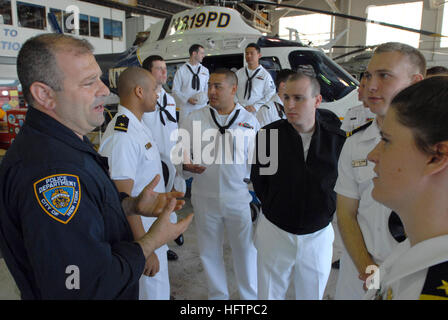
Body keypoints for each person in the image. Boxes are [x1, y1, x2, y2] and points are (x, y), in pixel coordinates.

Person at [0, 33, 192, 300]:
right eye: (89, 82)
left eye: (100, 79)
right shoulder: (52, 173)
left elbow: (88, 214)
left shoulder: (65, 142)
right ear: (44, 94)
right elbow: (82, 285)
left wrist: (128, 205)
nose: (104, 90)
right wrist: (149, 243)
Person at [334, 42, 426, 300]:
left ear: (415, 82)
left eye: (384, 76)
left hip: (415, 273)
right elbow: (346, 213)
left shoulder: (434, 147)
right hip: (359, 272)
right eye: (368, 75)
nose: (371, 86)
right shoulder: (355, 144)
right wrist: (367, 268)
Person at [251, 71, 346, 300]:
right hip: (275, 229)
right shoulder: (269, 136)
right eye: (286, 98)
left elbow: (341, 187)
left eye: (299, 98)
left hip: (317, 234)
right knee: (269, 294)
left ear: (317, 100)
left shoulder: (337, 141)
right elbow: (260, 182)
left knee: (312, 294)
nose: (290, 105)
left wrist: (324, 211)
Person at [176, 68, 259, 300]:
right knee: (209, 252)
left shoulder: (249, 122)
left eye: (217, 86)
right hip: (204, 197)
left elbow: (259, 162)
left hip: (238, 198)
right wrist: (184, 165)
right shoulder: (194, 119)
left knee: (245, 251)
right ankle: (218, 297)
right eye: (209, 86)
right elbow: (179, 152)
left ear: (233, 89)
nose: (211, 91)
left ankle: (248, 298)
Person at [365, 76, 448, 300]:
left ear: (436, 157)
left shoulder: (434, 284)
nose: (372, 155)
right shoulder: (412, 250)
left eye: (387, 140)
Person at [98, 67, 172, 300]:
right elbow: (123, 198)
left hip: (151, 230)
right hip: (140, 237)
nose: (157, 94)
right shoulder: (124, 134)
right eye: (153, 89)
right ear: (139, 91)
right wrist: (144, 248)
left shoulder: (136, 125)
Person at [142, 55, 186, 260]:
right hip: (152, 161)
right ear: (148, 72)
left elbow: (173, 127)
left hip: (170, 157)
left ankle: (171, 229)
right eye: (159, 68)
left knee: (171, 197)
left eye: (165, 68)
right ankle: (160, 245)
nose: (163, 72)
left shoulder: (168, 99)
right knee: (155, 203)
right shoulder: (142, 97)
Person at [172, 44, 209, 122]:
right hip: (186, 108)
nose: (203, 55)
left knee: (201, 132)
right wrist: (187, 99)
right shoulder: (181, 71)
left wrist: (203, 99)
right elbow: (175, 90)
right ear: (194, 53)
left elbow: (207, 89)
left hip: (201, 108)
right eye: (201, 53)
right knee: (186, 132)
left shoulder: (205, 70)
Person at [235, 43, 276, 113]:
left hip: (257, 112)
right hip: (239, 110)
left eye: (252, 53)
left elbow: (270, 94)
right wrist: (237, 104)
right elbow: (232, 90)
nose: (249, 56)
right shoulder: (238, 73)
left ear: (259, 55)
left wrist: (256, 106)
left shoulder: (265, 75)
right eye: (247, 53)